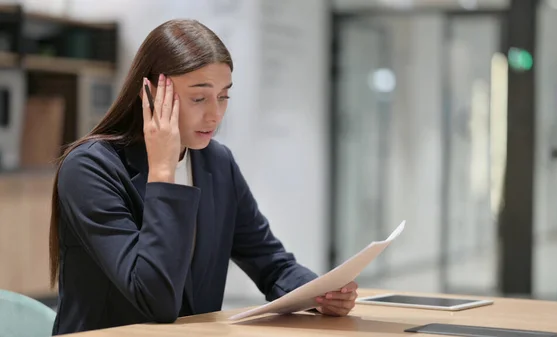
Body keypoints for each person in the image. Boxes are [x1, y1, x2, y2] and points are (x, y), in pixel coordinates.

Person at [48, 19, 358, 335]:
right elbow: (155, 301)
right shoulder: (90, 168)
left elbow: (272, 265)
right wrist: (163, 172)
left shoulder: (216, 163)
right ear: (151, 94)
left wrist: (319, 293)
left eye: (224, 96)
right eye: (199, 98)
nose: (215, 114)